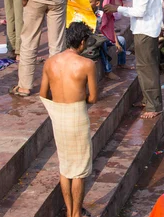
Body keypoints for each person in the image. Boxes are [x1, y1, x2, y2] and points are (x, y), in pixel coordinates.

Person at [39, 22, 98, 217]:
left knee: (65, 167)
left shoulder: (50, 62)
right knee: (79, 169)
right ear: (82, 42)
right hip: (77, 115)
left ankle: (69, 212)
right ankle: (76, 213)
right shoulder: (87, 64)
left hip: (59, 117)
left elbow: (43, 94)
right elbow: (93, 98)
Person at [103, 0, 163, 119]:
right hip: (147, 27)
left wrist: (117, 8)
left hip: (145, 29)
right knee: (144, 66)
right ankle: (148, 99)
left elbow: (139, 11)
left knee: (147, 68)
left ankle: (154, 105)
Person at [86, 0, 133, 81]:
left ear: (97, 3)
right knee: (102, 43)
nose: (87, 4)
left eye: (90, 2)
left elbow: (110, 28)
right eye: (86, 1)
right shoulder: (83, 14)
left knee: (122, 40)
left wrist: (116, 42)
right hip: (92, 41)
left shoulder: (100, 14)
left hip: (103, 37)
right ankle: (108, 71)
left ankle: (121, 63)